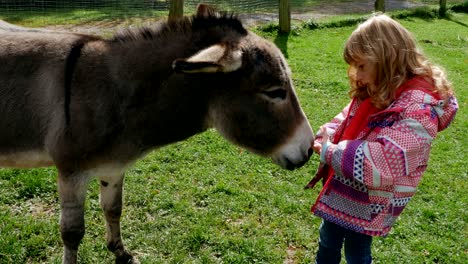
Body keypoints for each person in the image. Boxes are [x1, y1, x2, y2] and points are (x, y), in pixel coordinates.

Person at [305, 14, 458, 264]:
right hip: (344, 187)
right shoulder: (379, 87)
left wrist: (330, 151)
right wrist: (329, 132)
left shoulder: (419, 110)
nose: (357, 75)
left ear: (387, 59)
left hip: (369, 200)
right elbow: (348, 116)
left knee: (357, 252)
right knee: (328, 241)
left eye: (362, 66)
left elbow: (384, 162)